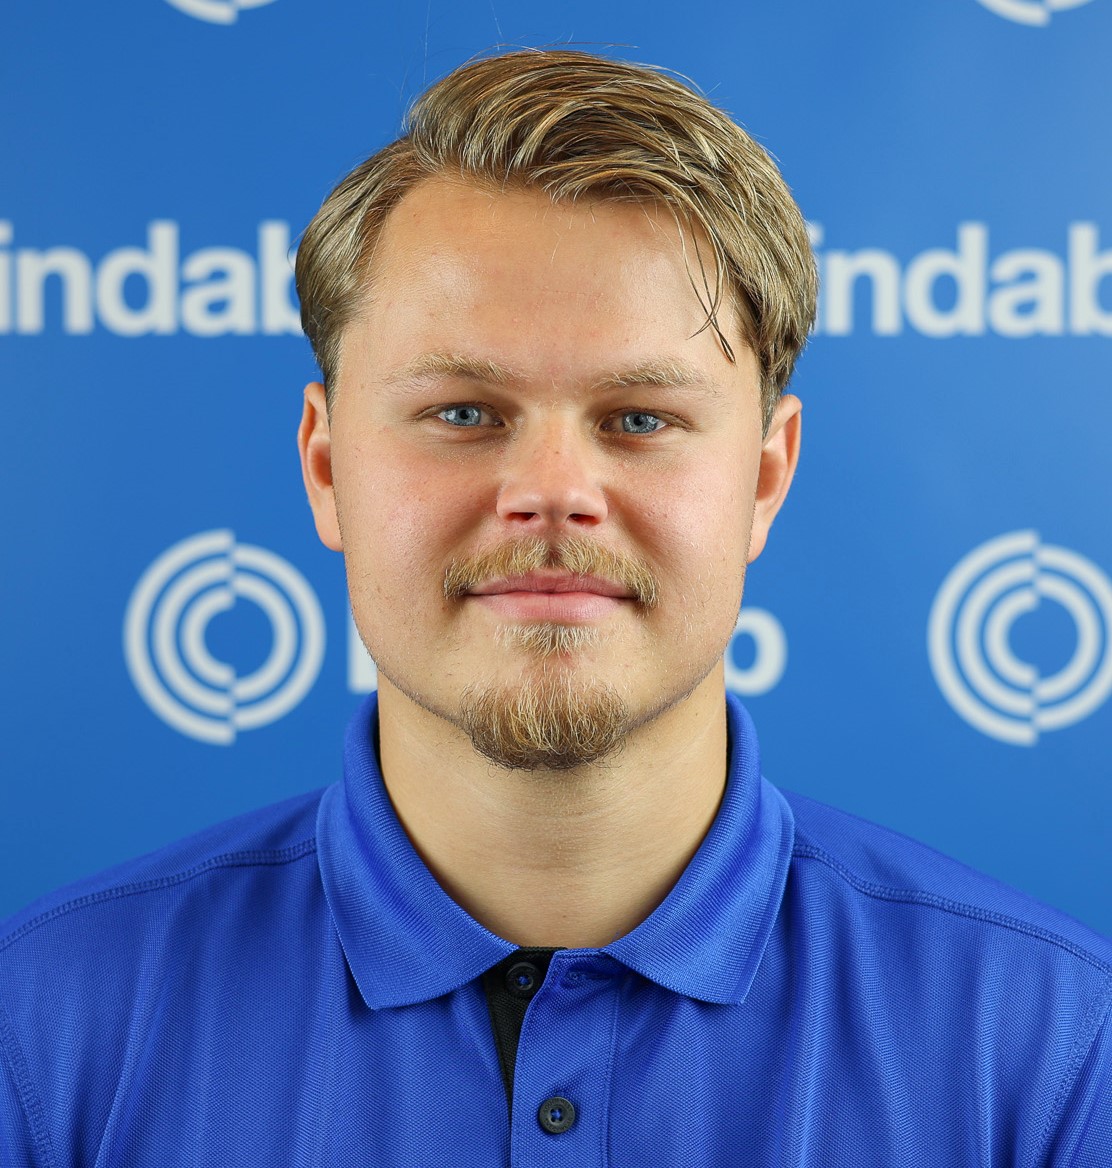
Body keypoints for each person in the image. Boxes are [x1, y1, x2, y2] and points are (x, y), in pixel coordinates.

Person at [1, 48, 1110, 1167]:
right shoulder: (40, 1032)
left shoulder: (1055, 1051)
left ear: (764, 479)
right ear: (326, 468)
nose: (550, 491)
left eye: (638, 419)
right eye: (463, 412)